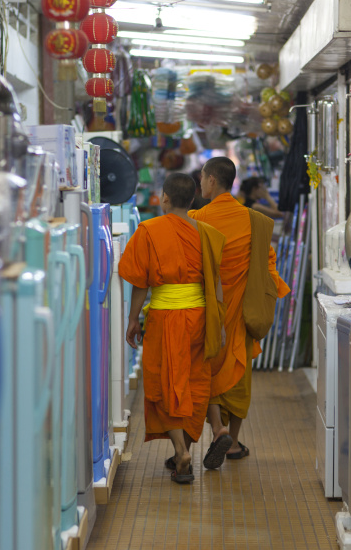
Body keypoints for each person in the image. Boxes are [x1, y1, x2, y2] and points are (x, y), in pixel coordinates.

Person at [118, 172, 226, 484]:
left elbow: (140, 281)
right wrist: (217, 322)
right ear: (193, 199)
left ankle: (181, 451)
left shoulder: (149, 230)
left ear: (164, 198)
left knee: (166, 383)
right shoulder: (206, 232)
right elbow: (215, 281)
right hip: (200, 318)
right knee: (193, 381)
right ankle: (185, 448)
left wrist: (132, 320)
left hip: (165, 318)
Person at [189, 157, 290, 468]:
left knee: (209, 367)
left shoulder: (197, 218)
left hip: (210, 309)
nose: (201, 184)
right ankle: (232, 441)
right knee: (239, 370)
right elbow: (268, 264)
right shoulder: (254, 220)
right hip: (243, 309)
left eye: (203, 179)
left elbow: (191, 264)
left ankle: (217, 428)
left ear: (211, 181)